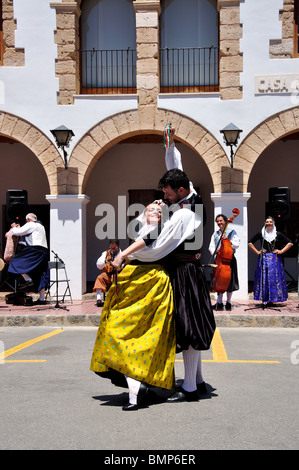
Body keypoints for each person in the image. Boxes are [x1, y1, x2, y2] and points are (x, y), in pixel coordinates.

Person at [126, 126, 215, 403]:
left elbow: (158, 248)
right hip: (189, 272)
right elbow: (177, 167)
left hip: (184, 274)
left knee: (187, 328)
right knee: (190, 326)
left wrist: (129, 256)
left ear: (180, 191)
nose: (164, 198)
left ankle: (188, 388)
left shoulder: (184, 214)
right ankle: (196, 381)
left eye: (167, 194)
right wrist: (170, 142)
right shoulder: (187, 199)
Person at [90, 203, 176, 411]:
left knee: (147, 335)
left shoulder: (162, 230)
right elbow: (139, 233)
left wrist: (121, 255)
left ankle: (140, 384)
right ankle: (136, 381)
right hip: (134, 279)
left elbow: (148, 238)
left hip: (152, 281)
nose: (154, 212)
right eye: (149, 210)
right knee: (121, 328)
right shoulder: (143, 229)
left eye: (158, 211)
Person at [248, 216, 293, 305]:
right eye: (267, 222)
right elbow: (250, 242)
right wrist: (257, 251)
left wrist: (281, 251)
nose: (269, 224)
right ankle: (265, 299)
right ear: (265, 223)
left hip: (274, 259)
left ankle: (273, 298)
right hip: (264, 258)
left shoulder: (278, 234)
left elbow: (290, 243)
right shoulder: (261, 233)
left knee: (274, 279)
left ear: (273, 223)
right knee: (264, 278)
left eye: (270, 222)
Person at [8, 213, 49, 305]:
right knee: (40, 273)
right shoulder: (41, 226)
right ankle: (42, 299)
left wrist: (14, 227)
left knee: (14, 262)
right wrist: (20, 228)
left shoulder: (31, 224)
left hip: (34, 249)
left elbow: (18, 232)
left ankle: (27, 279)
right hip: (43, 251)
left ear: (28, 219)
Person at [209, 214, 240, 311]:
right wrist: (215, 251)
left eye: (221, 221)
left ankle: (229, 302)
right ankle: (219, 302)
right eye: (217, 221)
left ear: (225, 221)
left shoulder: (232, 232)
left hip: (229, 259)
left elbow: (236, 244)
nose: (219, 223)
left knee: (229, 281)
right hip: (219, 259)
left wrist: (227, 240)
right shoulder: (215, 234)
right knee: (219, 279)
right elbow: (211, 246)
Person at [93, 239, 122, 307]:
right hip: (109, 274)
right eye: (111, 248)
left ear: (118, 246)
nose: (113, 250)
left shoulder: (122, 254)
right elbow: (99, 265)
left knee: (116, 279)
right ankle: (99, 299)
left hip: (118, 274)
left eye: (114, 248)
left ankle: (115, 299)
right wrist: (105, 263)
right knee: (100, 277)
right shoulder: (106, 253)